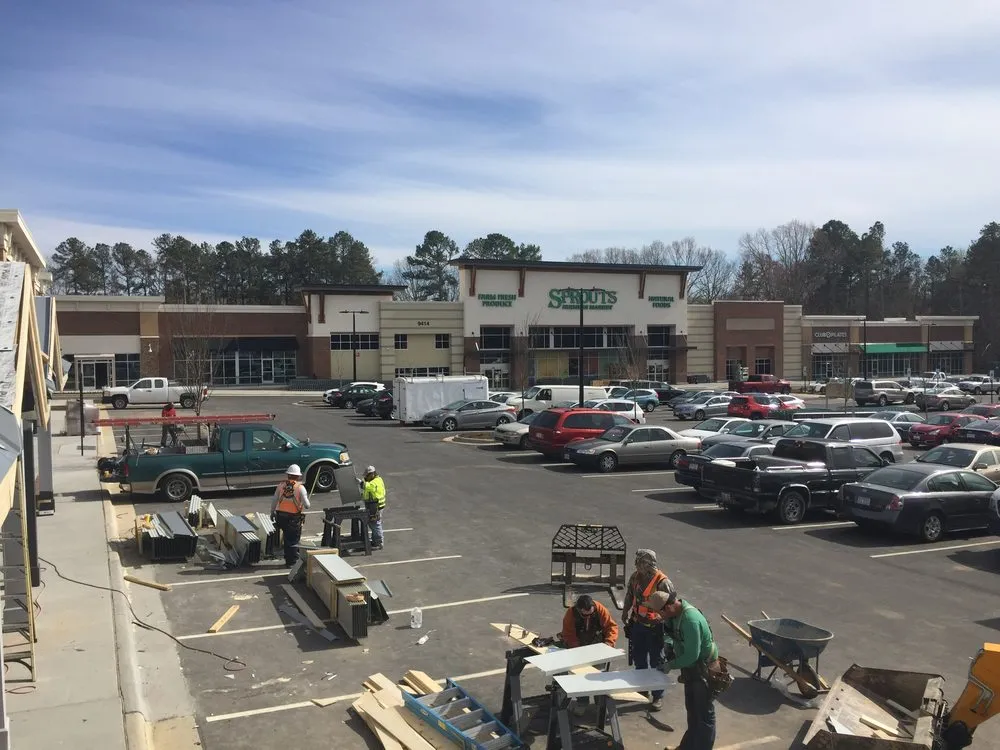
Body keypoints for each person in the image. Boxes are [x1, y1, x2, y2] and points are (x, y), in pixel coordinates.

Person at [648, 590, 719, 750]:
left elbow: (692, 655)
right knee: (692, 713)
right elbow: (669, 632)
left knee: (703, 715)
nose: (660, 616)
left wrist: (670, 665)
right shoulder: (674, 615)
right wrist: (669, 644)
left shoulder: (690, 620)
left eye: (660, 612)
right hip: (691, 670)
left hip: (703, 670)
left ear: (668, 607)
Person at [621, 549, 675, 710]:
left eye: (639, 562)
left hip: (655, 628)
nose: (636, 565)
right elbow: (630, 595)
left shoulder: (663, 582)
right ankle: (643, 688)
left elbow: (672, 606)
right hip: (638, 625)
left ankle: (658, 695)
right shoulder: (635, 577)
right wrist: (625, 611)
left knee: (657, 661)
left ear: (648, 564)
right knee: (639, 659)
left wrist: (667, 625)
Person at [271, 464, 310, 566]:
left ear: (288, 475)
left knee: (287, 538)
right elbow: (307, 505)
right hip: (293, 519)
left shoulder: (281, 486)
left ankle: (289, 557)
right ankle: (291, 562)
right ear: (298, 476)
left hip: (280, 517)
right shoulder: (300, 488)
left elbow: (274, 500)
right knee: (292, 540)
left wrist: (272, 512)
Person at [359, 465, 386, 550]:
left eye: (367, 476)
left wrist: (361, 483)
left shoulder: (375, 481)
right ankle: (375, 541)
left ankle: (379, 542)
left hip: (376, 506)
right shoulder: (374, 480)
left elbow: (368, 487)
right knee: (372, 523)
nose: (365, 478)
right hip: (373, 505)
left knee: (375, 524)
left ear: (372, 474)